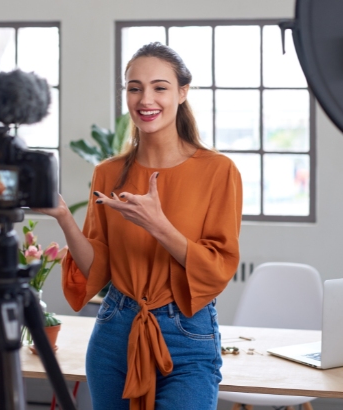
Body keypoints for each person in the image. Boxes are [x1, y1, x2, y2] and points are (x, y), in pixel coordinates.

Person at [37, 42, 242, 410]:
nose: (146, 99)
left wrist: (159, 225)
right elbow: (97, 270)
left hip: (187, 333)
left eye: (160, 87)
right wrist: (64, 217)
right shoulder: (109, 172)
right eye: (135, 87)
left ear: (182, 93)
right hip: (115, 330)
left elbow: (217, 269)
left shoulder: (218, 171)